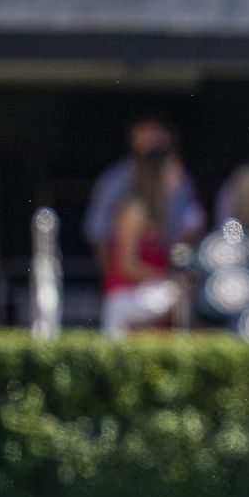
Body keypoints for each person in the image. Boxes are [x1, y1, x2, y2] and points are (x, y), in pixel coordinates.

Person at [82, 117, 206, 271]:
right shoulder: (131, 205)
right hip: (135, 288)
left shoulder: (183, 183)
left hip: (158, 278)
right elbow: (101, 237)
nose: (177, 176)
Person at [100, 148, 183, 337]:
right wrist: (168, 277)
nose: (179, 174)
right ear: (157, 173)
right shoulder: (135, 210)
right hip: (127, 296)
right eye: (173, 168)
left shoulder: (158, 212)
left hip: (148, 291)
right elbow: (126, 266)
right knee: (181, 295)